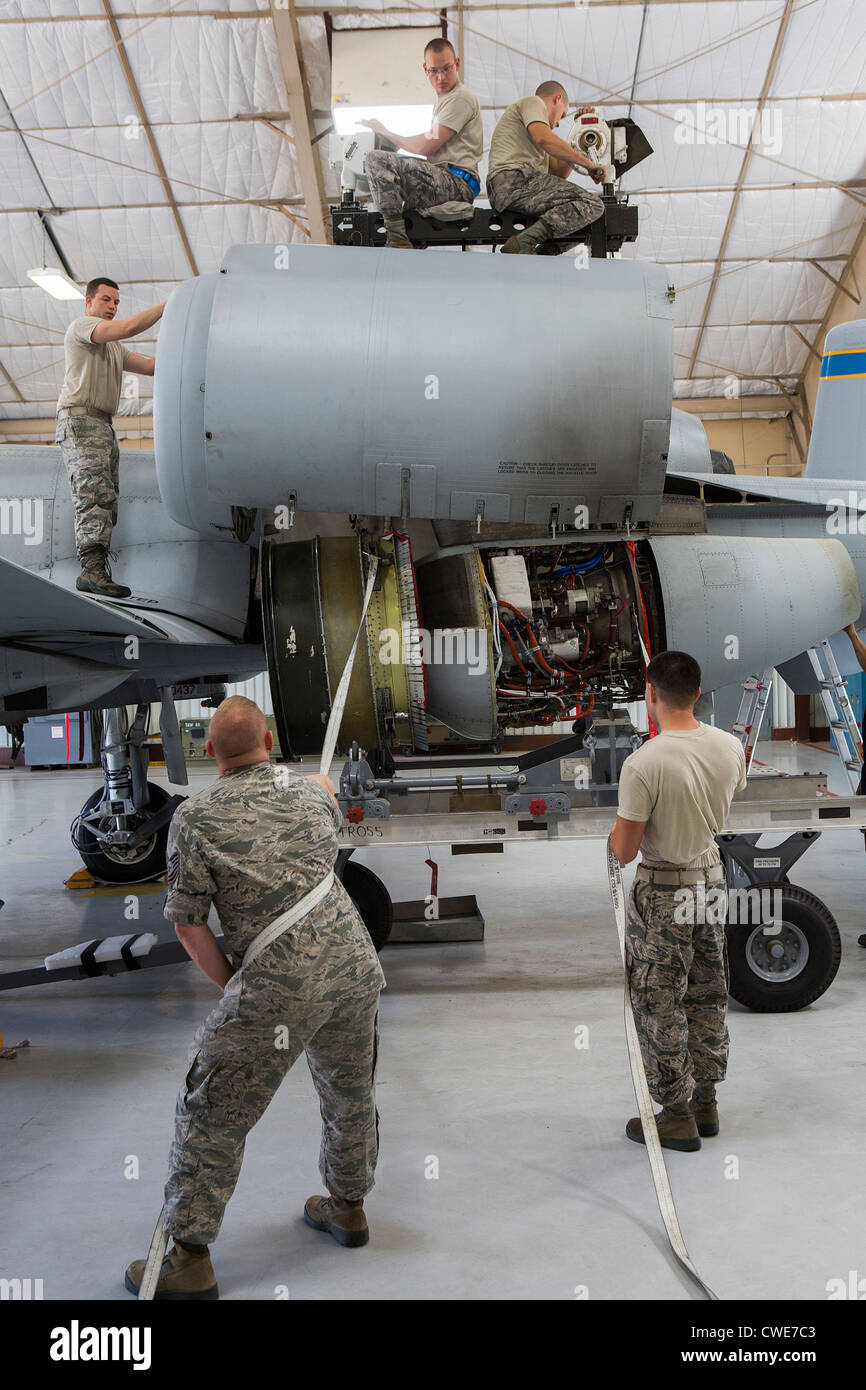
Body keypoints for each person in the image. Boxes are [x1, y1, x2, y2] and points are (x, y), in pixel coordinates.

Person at [124, 696, 386, 1299]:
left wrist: (236, 989)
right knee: (350, 1094)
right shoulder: (312, 792)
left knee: (213, 1111)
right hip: (353, 969)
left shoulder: (193, 817)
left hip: (276, 987)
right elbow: (323, 783)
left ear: (209, 752)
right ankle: (348, 1207)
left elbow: (189, 927)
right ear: (268, 742)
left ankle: (188, 1258)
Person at [609, 651, 747, 1152]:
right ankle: (706, 1103)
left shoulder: (644, 761)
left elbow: (624, 850)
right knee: (708, 991)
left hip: (664, 891)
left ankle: (675, 1114)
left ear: (650, 695)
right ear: (698, 690)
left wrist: (612, 837)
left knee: (658, 999)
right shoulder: (730, 747)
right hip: (711, 882)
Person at [56, 277, 165, 598]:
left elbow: (153, 366)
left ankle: (96, 568)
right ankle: (91, 570)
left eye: (116, 302)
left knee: (107, 496)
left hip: (103, 423)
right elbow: (129, 328)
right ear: (89, 302)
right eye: (106, 300)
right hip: (80, 419)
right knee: (93, 493)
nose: (112, 307)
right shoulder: (83, 327)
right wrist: (168, 305)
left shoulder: (114, 347)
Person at [361, 37, 483, 249]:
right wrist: (391, 140)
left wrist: (387, 132)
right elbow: (426, 138)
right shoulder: (443, 102)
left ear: (458, 64)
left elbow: (424, 146)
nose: (441, 77)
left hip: (455, 183)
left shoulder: (460, 99)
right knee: (405, 211)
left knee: (375, 160)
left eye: (447, 68)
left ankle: (397, 239)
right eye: (434, 71)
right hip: (441, 180)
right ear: (425, 70)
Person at [487, 82, 606, 255]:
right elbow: (544, 138)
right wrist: (588, 164)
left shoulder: (536, 137)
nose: (558, 124)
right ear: (557, 98)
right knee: (592, 203)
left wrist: (580, 131)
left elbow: (559, 172)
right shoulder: (533, 103)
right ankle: (526, 242)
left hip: (515, 187)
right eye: (562, 115)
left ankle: (544, 254)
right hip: (513, 180)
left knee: (587, 215)